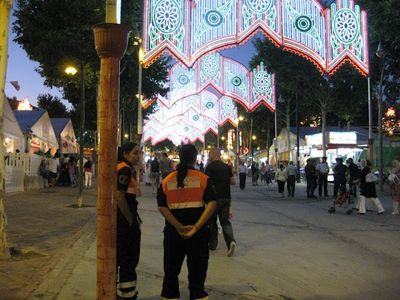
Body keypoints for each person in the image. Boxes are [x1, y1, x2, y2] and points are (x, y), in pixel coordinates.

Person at [157, 144, 216, 300]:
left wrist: (178, 226)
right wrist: (196, 227)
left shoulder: (167, 180)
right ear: (195, 158)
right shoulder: (203, 179)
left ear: (180, 157)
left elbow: (162, 206)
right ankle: (197, 295)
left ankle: (170, 296)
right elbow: (212, 204)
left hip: (173, 233)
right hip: (198, 235)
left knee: (171, 271)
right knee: (197, 271)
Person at [116, 142, 143, 299]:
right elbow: (120, 197)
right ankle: (128, 294)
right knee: (128, 258)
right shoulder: (124, 170)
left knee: (122, 257)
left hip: (121, 221)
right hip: (124, 223)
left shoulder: (124, 168)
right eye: (135, 153)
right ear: (125, 154)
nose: (138, 156)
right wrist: (131, 220)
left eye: (139, 153)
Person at [205, 148, 236, 256]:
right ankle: (231, 241)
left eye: (209, 153)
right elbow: (233, 181)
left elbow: (207, 183)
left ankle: (213, 244)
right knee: (225, 222)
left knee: (212, 221)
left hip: (214, 199)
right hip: (226, 198)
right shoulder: (226, 167)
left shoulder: (209, 167)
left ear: (214, 154)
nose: (209, 155)